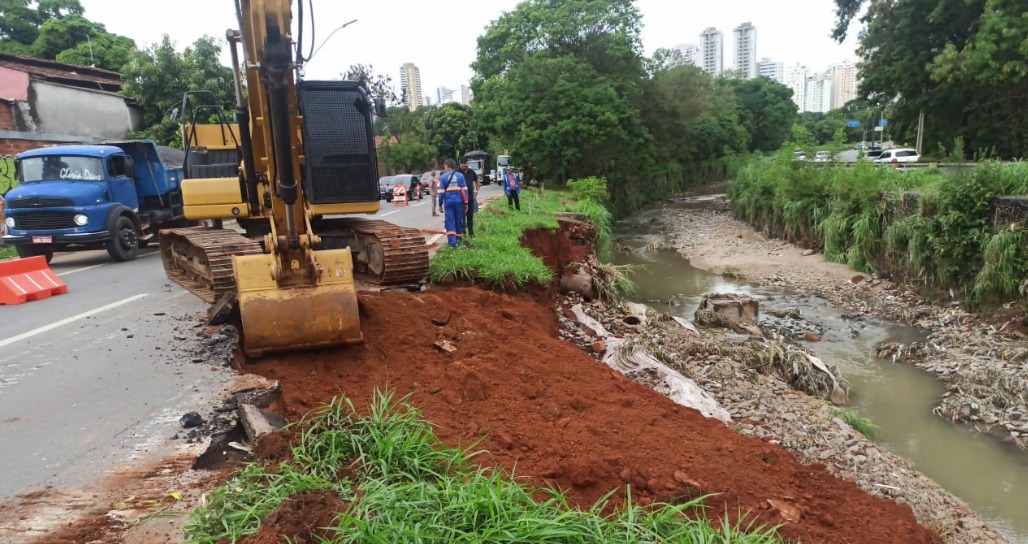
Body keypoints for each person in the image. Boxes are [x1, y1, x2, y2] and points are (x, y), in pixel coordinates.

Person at [437, 159, 468, 248]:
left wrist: (440, 204)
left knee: (450, 221)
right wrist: (466, 203)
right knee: (459, 221)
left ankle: (452, 243)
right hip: (459, 202)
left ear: (447, 166)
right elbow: (465, 190)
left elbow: (441, 192)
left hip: (448, 202)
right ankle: (459, 240)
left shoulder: (443, 177)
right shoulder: (460, 176)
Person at [458, 158, 479, 238]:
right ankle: (463, 233)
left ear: (468, 163)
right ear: (459, 164)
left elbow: (477, 181)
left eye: (465, 163)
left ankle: (471, 233)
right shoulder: (457, 172)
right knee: (461, 216)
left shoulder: (471, 172)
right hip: (461, 199)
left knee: (470, 216)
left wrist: (476, 191)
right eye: (462, 163)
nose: (463, 165)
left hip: (470, 198)